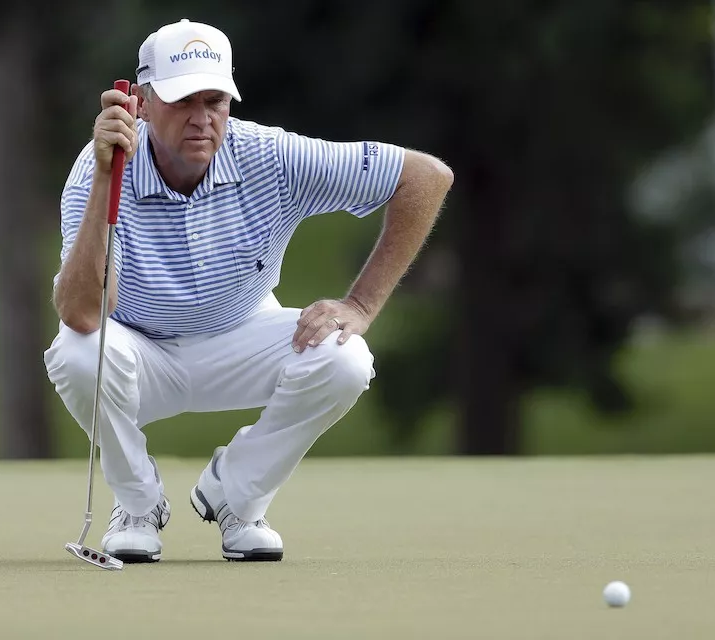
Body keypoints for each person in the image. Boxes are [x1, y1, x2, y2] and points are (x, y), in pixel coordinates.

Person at [44, 18, 453, 563]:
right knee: (75, 353)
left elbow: (425, 177)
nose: (201, 117)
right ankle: (138, 503)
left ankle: (237, 494)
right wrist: (103, 180)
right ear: (139, 102)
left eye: (215, 100)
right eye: (182, 99)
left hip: (242, 337)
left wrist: (360, 304)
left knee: (345, 356)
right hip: (140, 352)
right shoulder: (94, 172)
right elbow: (83, 313)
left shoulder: (272, 157)